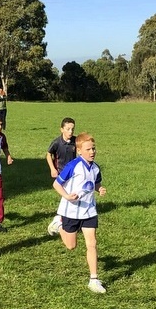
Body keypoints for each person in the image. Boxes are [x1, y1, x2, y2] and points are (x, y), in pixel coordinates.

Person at [52, 132, 107, 294]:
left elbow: (95, 183)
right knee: (71, 246)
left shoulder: (96, 168)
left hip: (89, 211)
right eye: (88, 149)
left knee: (92, 243)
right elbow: (56, 184)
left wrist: (100, 189)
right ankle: (59, 224)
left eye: (94, 148)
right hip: (71, 211)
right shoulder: (73, 166)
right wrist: (67, 196)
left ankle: (94, 280)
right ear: (79, 150)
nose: (92, 152)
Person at [46, 117, 76, 235]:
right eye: (68, 129)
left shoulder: (75, 141)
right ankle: (59, 220)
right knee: (67, 196)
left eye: (72, 129)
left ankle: (69, 219)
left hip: (74, 174)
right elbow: (48, 155)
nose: (70, 132)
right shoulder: (57, 142)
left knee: (71, 196)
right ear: (61, 129)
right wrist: (53, 169)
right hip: (62, 173)